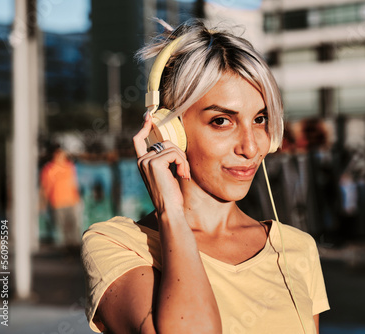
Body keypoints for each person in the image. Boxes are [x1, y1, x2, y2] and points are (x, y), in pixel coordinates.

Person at [81, 21, 329, 334]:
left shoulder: (297, 248)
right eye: (222, 121)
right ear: (170, 130)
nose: (251, 147)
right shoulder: (116, 244)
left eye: (261, 119)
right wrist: (171, 213)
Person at [40, 144, 81, 249]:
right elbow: (46, 188)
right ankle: (66, 250)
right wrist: (43, 203)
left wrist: (78, 199)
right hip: (58, 202)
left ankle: (75, 248)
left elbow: (74, 183)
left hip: (72, 201)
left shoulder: (69, 166)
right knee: (63, 229)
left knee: (74, 227)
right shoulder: (49, 169)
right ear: (55, 154)